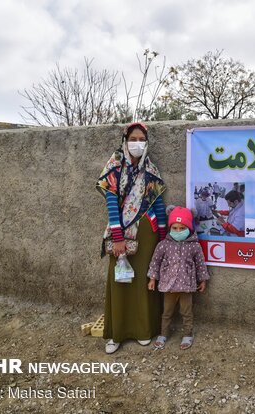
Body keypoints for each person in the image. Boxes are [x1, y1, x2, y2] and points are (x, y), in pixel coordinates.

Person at [97, 122, 167, 354]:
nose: (137, 143)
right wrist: (118, 237)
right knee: (119, 280)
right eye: (133, 138)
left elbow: (158, 203)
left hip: (147, 233)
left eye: (141, 139)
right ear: (125, 140)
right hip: (121, 232)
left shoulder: (150, 170)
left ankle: (143, 330)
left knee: (143, 282)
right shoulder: (114, 166)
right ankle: (116, 334)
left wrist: (163, 237)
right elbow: (111, 203)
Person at [148, 206, 210, 350]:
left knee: (186, 312)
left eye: (182, 228)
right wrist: (152, 278)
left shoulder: (194, 246)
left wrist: (203, 280)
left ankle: (188, 334)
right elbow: (155, 262)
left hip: (187, 286)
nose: (178, 231)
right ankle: (163, 334)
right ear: (170, 228)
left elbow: (200, 263)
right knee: (167, 312)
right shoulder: (163, 245)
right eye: (174, 228)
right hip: (168, 286)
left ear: (189, 228)